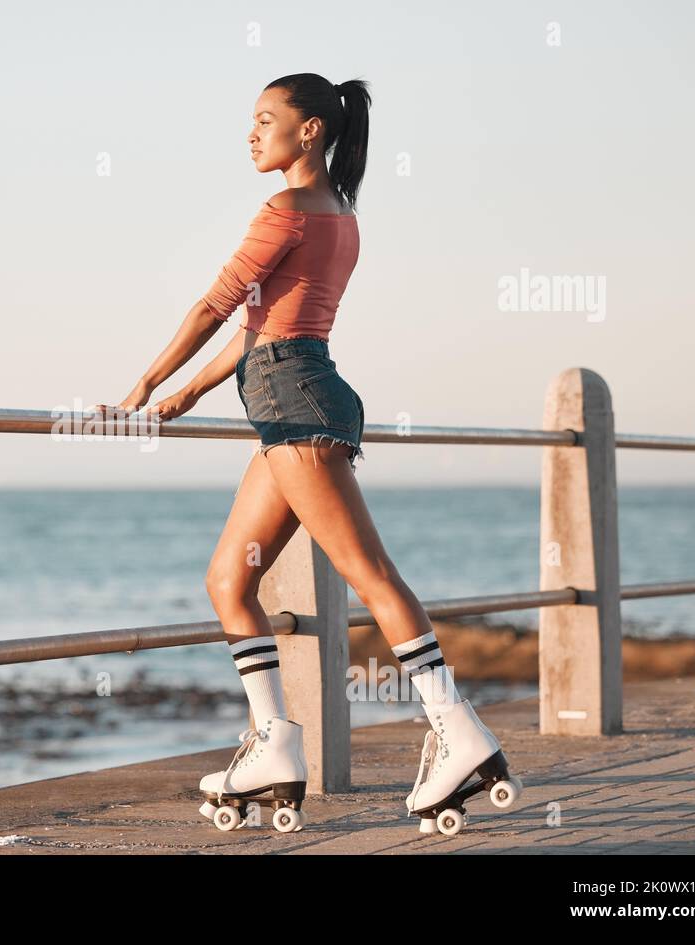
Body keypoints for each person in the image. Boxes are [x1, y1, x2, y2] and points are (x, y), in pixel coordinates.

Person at [95, 73, 516, 835]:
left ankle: (459, 733)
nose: (252, 134)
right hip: (293, 397)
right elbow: (267, 321)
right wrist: (189, 392)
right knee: (230, 580)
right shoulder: (337, 215)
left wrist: (140, 388)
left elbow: (214, 305)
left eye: (266, 120)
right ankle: (274, 746)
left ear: (311, 130)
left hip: (296, 406)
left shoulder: (285, 210)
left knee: (371, 575)